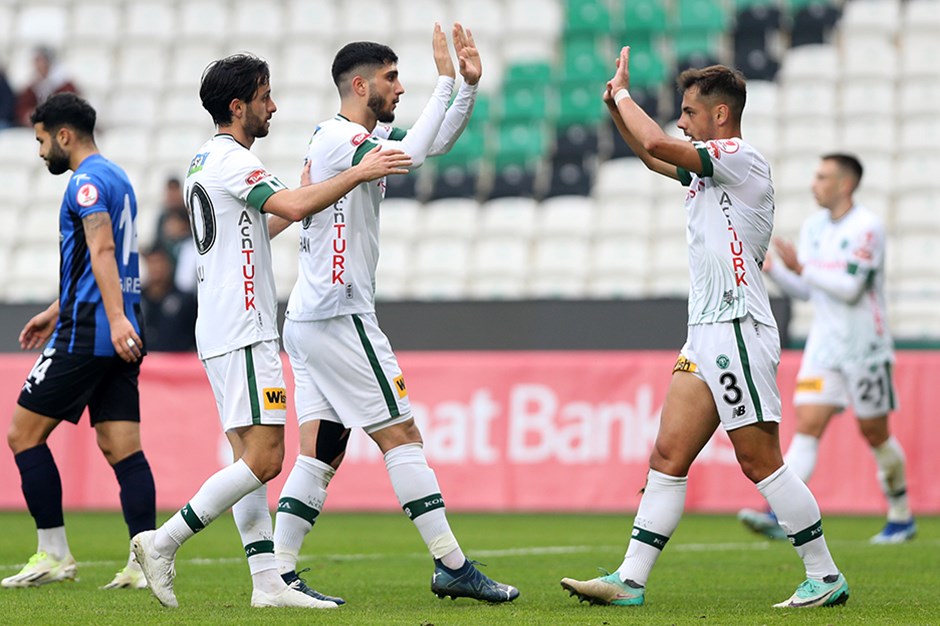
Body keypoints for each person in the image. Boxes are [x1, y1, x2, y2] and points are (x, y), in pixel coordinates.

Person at [559, 48, 849, 609]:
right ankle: (630, 580)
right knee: (667, 456)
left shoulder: (740, 156)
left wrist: (625, 94)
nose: (681, 121)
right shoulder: (708, 171)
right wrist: (615, 109)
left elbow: (659, 143)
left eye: (689, 112)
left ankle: (824, 574)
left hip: (738, 327)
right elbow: (652, 157)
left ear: (720, 115)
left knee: (759, 461)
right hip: (705, 332)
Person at [130, 53, 411, 610]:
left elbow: (262, 225)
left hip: (219, 326)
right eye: (264, 97)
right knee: (264, 460)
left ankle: (267, 584)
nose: (273, 107)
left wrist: (310, 196)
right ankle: (162, 542)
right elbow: (291, 204)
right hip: (244, 326)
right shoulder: (235, 161)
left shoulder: (204, 160)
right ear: (238, 107)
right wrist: (354, 174)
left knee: (248, 463)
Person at [267, 24, 517, 605]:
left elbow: (436, 142)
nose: (400, 88)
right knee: (401, 433)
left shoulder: (357, 136)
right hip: (339, 314)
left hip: (309, 316)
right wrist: (444, 82)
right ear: (361, 85)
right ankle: (452, 565)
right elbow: (416, 152)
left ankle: (277, 572)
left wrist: (466, 88)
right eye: (391, 77)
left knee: (323, 449)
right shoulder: (340, 138)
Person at [2, 93, 156, 591]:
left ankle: (54, 554)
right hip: (122, 326)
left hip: (93, 329)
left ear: (64, 135)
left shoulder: (84, 183)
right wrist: (57, 310)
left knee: (23, 434)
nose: (41, 151)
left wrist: (109, 319)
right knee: (122, 447)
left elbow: (103, 248)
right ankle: (144, 561)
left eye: (42, 140)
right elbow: (98, 263)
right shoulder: (117, 177)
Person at [738, 154, 916, 544]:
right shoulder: (814, 227)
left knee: (875, 433)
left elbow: (850, 290)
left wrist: (803, 269)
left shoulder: (867, 228)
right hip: (824, 347)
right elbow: (808, 291)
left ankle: (901, 515)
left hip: (865, 347)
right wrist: (776, 271)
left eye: (822, 177)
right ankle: (778, 512)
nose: (813, 184)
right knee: (806, 428)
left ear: (844, 184)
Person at [139, 244, 197, 351]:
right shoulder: (137, 300)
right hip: (145, 359)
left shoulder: (185, 300)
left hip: (178, 359)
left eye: (160, 262)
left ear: (169, 265)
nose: (156, 268)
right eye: (152, 263)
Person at [15, 46, 79, 128]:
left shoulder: (64, 84)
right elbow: (23, 106)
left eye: (40, 61)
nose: (37, 65)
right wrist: (27, 115)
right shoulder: (34, 84)